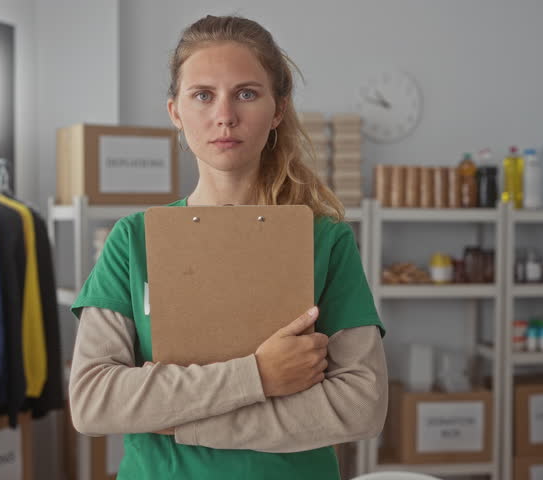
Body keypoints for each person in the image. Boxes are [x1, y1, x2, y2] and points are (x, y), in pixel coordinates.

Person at [69, 14, 388, 480]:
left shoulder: (325, 241)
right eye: (203, 95)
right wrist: (258, 376)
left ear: (277, 109)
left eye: (246, 93)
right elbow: (93, 401)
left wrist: (178, 421)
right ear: (176, 112)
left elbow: (361, 406)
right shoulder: (134, 240)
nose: (225, 115)